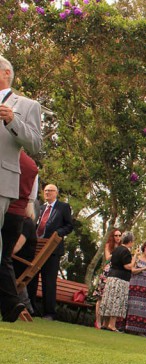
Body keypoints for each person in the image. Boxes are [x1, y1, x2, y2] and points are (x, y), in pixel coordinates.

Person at [0, 55, 42, 322]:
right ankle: (10, 304)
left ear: (6, 73)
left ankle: (11, 304)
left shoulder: (27, 105)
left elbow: (37, 144)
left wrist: (13, 121)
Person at [36, 184, 74, 320]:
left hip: (52, 249)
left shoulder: (63, 207)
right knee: (32, 278)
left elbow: (69, 226)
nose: (47, 193)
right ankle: (30, 308)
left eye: (50, 191)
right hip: (37, 247)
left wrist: (58, 233)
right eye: (45, 191)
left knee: (49, 281)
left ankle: (49, 313)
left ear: (56, 193)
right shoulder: (40, 208)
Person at [100, 231, 136, 331]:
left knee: (109, 300)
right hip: (120, 279)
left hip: (111, 277)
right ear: (130, 241)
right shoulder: (125, 251)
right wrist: (134, 258)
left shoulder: (116, 250)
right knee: (116, 300)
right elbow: (127, 266)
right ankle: (112, 324)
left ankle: (105, 323)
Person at [124, 240, 146, 335]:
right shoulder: (137, 258)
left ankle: (141, 330)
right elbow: (133, 270)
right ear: (143, 248)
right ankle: (129, 327)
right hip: (135, 284)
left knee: (144, 307)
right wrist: (143, 269)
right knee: (132, 305)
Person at [93, 228, 122, 328]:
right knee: (100, 297)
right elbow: (107, 257)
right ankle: (98, 321)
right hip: (107, 272)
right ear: (112, 236)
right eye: (116, 235)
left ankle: (107, 323)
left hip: (116, 273)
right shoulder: (108, 245)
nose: (118, 237)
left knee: (111, 298)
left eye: (119, 235)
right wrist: (117, 251)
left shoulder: (122, 247)